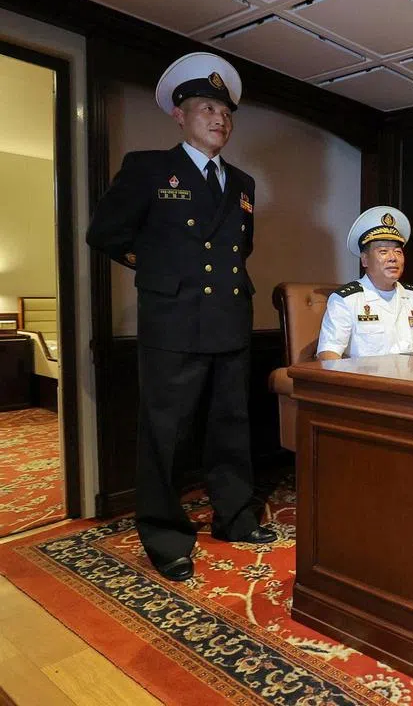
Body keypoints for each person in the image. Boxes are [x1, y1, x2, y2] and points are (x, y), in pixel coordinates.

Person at [87, 52, 275, 583]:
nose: (220, 119)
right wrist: (159, 269)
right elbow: (104, 234)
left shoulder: (242, 183)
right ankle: (165, 535)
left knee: (231, 428)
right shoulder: (148, 168)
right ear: (180, 114)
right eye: (207, 107)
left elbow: (243, 246)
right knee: (164, 436)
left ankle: (234, 517)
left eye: (226, 111)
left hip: (229, 318)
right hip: (172, 322)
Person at [316, 206, 413, 359]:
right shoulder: (346, 300)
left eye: (398, 252)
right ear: (365, 259)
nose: (393, 258)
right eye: (383, 251)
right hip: (368, 381)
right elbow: (328, 353)